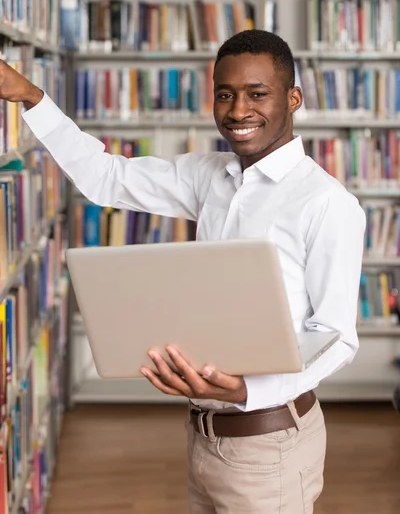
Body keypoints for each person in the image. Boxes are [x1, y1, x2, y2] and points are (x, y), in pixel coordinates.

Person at [0, 30, 366, 513]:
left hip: (271, 442)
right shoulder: (210, 175)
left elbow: (337, 337)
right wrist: (31, 97)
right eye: (225, 94)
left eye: (257, 94)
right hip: (204, 439)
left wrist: (247, 389)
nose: (238, 111)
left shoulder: (326, 203)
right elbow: (107, 177)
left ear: (292, 98)